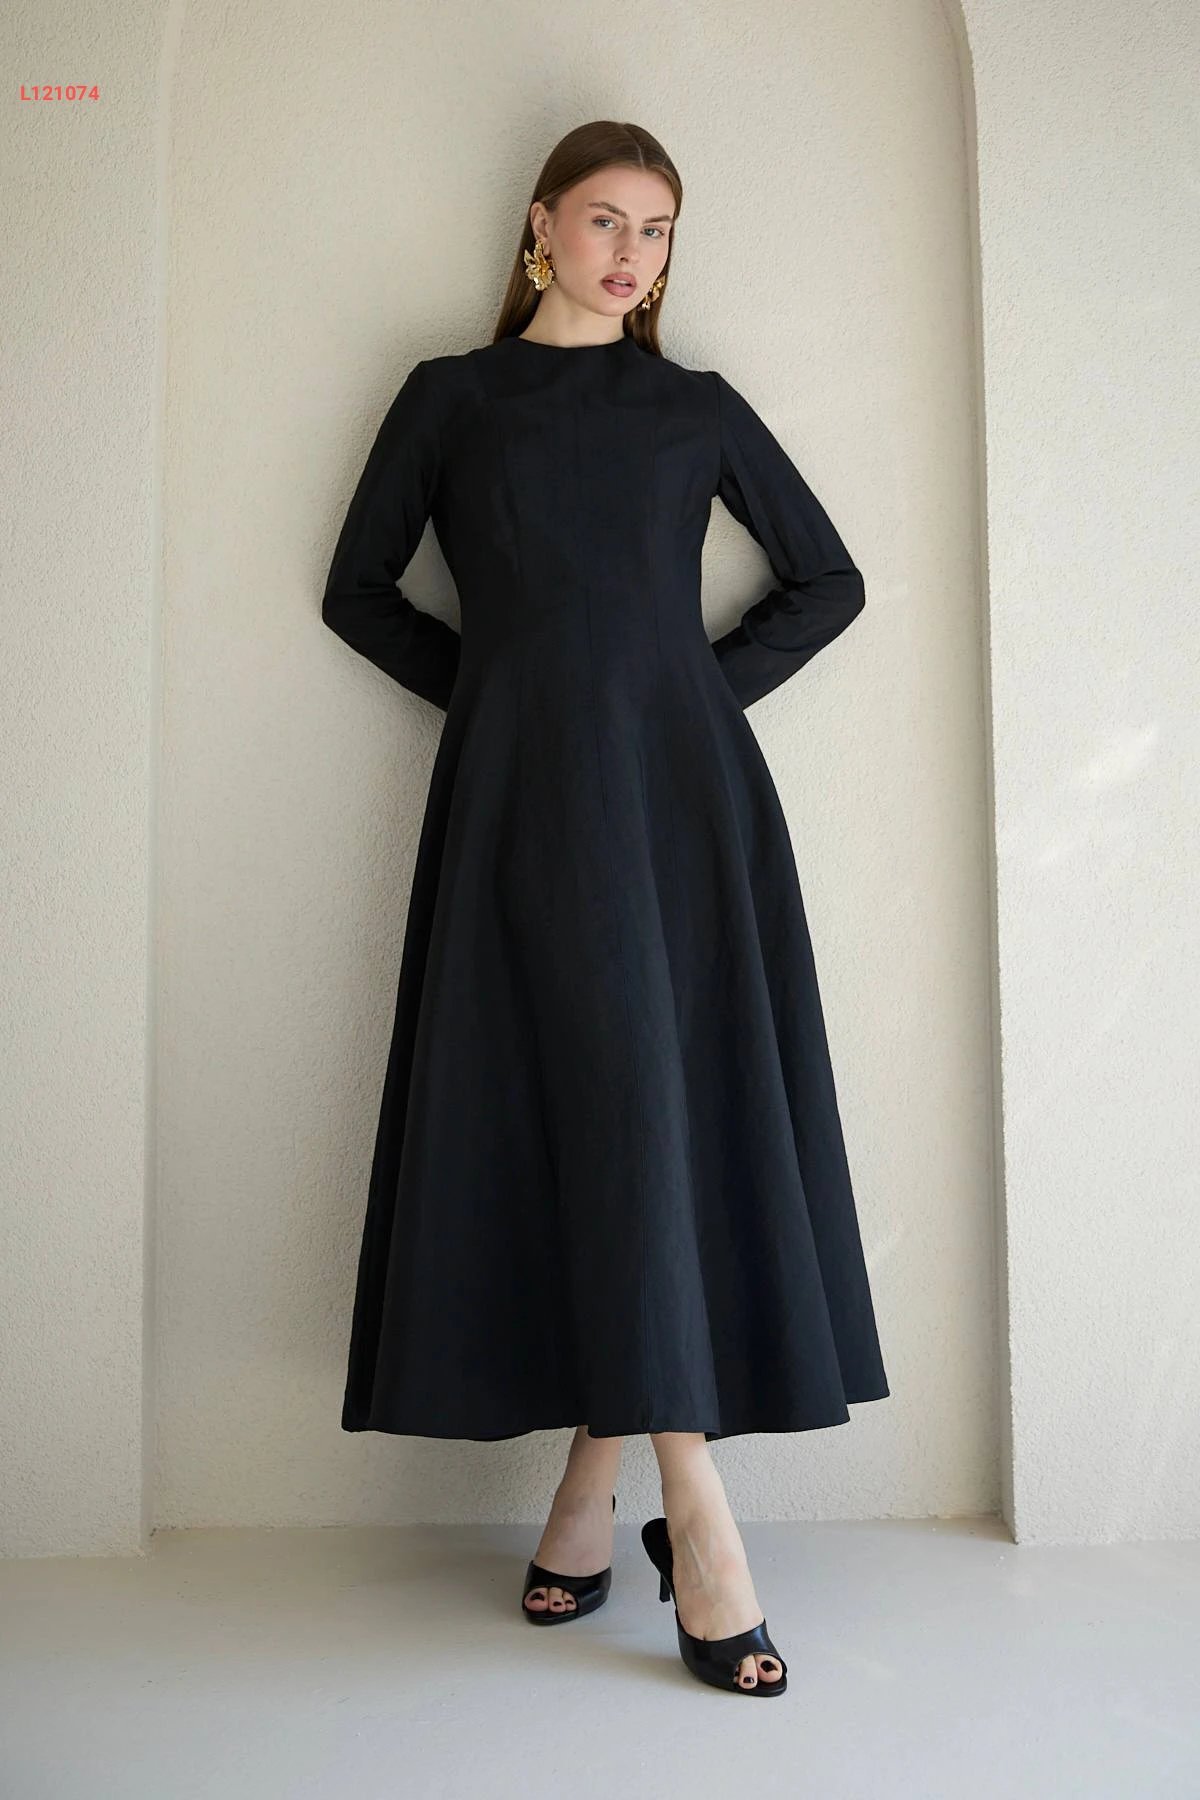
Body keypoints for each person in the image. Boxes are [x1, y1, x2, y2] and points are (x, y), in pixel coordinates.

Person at [321, 119, 889, 1698]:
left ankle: (637, 1501)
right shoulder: (451, 398)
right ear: (540, 228)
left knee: (651, 1118)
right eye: (605, 220)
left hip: (682, 811)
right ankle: (670, 1513)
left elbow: (829, 581)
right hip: (523, 807)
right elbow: (356, 592)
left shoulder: (692, 408)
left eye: (658, 230)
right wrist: (503, 698)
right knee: (590, 1111)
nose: (632, 253)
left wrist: (682, 701)